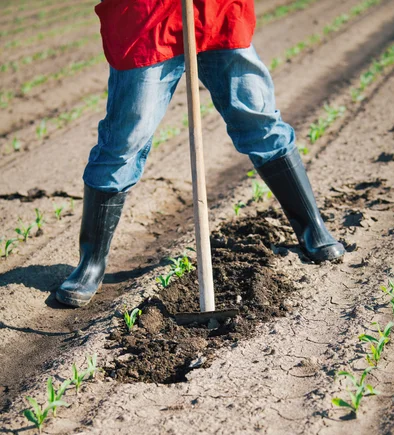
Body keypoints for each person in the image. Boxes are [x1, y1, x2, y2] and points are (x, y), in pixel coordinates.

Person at [56, 0, 345, 307]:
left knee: (259, 118)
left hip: (217, 12)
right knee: (126, 138)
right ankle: (92, 263)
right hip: (147, 18)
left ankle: (312, 229)